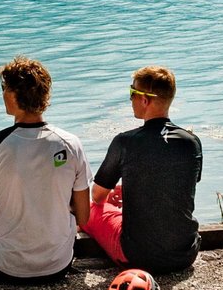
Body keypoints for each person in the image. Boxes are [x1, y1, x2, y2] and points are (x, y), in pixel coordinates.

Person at [0, 56, 90, 283]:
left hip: (6, 267)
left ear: (11, 96)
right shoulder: (71, 143)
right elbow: (84, 217)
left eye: (4, 88)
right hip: (58, 264)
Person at [82, 66, 203, 275]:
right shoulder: (191, 143)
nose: (130, 99)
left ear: (145, 100)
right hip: (185, 253)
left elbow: (98, 195)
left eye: (132, 93)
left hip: (137, 257)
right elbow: (176, 187)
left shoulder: (125, 142)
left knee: (92, 210)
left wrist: (115, 193)